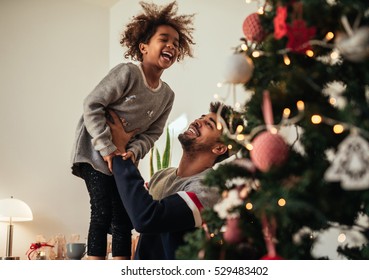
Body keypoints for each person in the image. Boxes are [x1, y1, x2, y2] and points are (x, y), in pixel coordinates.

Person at [70, 1, 195, 260]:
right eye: (164, 39)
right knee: (102, 210)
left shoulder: (167, 95)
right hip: (93, 153)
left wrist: (133, 151)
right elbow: (91, 105)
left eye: (175, 42)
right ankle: (94, 262)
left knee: (124, 216)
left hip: (123, 157)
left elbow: (153, 134)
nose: (171, 45)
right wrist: (106, 146)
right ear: (143, 47)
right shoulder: (127, 73)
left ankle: (122, 264)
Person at [107, 101, 242, 259]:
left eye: (208, 124)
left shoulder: (208, 189)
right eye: (201, 117)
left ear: (219, 148)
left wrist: (118, 153)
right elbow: (128, 216)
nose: (198, 121)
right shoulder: (161, 176)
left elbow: (146, 218)